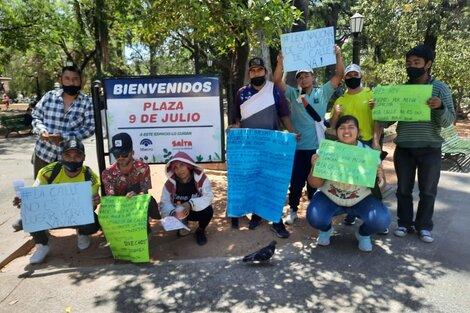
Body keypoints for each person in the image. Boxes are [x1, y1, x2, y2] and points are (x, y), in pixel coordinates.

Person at [12, 62, 95, 232]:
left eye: (75, 79)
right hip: (44, 152)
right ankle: (31, 219)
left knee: (68, 193)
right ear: (61, 79)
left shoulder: (86, 102)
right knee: (41, 189)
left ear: (81, 81)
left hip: (70, 155)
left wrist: (64, 138)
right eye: (67, 79)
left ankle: (76, 224)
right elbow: (36, 116)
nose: (71, 83)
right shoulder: (49, 96)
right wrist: (41, 131)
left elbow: (90, 127)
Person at [386, 45, 455, 243]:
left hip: (430, 149)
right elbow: (389, 120)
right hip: (405, 148)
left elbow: (448, 120)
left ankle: (424, 226)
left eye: (416, 63)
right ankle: (404, 223)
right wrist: (381, 108)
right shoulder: (401, 90)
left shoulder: (440, 88)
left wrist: (440, 106)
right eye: (408, 63)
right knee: (403, 190)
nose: (411, 66)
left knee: (428, 191)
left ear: (428, 64)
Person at [273, 45, 344, 225]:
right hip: (298, 147)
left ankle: (314, 210)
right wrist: (280, 62)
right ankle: (293, 210)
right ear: (297, 81)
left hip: (319, 147)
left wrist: (339, 55)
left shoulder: (323, 91)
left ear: (313, 77)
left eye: (306, 75)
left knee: (316, 182)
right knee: (296, 182)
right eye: (300, 77)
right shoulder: (293, 93)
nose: (303, 79)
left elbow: (339, 75)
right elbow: (276, 80)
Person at [229, 56, 299, 238]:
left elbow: (284, 114)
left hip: (271, 147)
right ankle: (257, 215)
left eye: (259, 70)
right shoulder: (241, 93)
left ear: (265, 72)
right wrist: (236, 128)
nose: (255, 73)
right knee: (253, 179)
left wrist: (292, 132)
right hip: (250, 147)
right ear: (249, 73)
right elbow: (238, 118)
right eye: (252, 70)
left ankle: (277, 220)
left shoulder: (274, 90)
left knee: (273, 181)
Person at [306, 115, 391, 252]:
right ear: (336, 131)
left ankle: (363, 234)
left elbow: (381, 188)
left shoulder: (369, 154)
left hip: (361, 199)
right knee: (315, 217)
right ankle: (326, 229)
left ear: (358, 131)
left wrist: (380, 179)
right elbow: (314, 184)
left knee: (381, 220)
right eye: (342, 128)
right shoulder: (326, 152)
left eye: (351, 127)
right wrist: (315, 168)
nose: (346, 131)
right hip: (330, 197)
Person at [14, 139, 101, 264]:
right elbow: (35, 196)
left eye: (77, 155)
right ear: (61, 156)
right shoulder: (47, 172)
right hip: (51, 213)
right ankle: (41, 244)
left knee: (94, 223)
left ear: (84, 157)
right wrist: (24, 201)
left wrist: (94, 200)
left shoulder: (90, 176)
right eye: (68, 155)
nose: (72, 159)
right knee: (29, 214)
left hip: (76, 214)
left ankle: (82, 233)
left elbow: (91, 204)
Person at [329, 63, 384, 227]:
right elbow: (332, 126)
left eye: (355, 74)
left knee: (372, 183)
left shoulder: (370, 95)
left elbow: (378, 121)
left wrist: (375, 141)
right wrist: (337, 113)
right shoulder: (340, 99)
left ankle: (376, 218)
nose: (352, 78)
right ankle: (352, 213)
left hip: (366, 143)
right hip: (346, 146)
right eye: (349, 75)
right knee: (350, 181)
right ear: (344, 78)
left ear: (361, 76)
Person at [101, 133, 161, 234]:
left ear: (132, 152)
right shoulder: (107, 173)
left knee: (149, 201)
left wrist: (137, 197)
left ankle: (144, 225)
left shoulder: (143, 168)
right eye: (116, 154)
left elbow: (144, 191)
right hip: (119, 207)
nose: (120, 157)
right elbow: (111, 198)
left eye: (124, 154)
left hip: (137, 203)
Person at [160, 151, 214, 246]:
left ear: (188, 165)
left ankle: (200, 230)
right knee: (179, 231)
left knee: (208, 211)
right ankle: (182, 225)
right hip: (178, 213)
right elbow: (164, 202)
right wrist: (172, 213)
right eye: (175, 168)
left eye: (182, 165)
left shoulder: (201, 179)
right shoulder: (170, 183)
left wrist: (190, 204)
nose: (179, 170)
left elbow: (208, 197)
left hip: (196, 211)